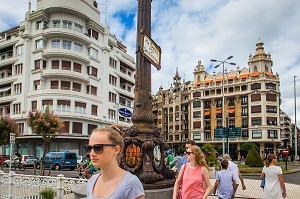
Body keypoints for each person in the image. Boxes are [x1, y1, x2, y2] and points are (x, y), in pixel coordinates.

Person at [86, 124, 145, 199]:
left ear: (116, 149)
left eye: (98, 148)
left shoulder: (131, 183)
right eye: (90, 148)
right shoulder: (92, 181)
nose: (92, 153)